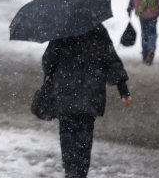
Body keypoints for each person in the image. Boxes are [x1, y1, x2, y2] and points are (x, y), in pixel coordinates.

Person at [41, 25, 132, 178]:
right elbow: (111, 60)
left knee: (67, 135)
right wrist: (123, 89)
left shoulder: (62, 30)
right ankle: (80, 172)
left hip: (65, 94)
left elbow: (48, 61)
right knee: (85, 136)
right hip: (90, 95)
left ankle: (70, 171)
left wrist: (51, 71)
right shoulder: (99, 31)